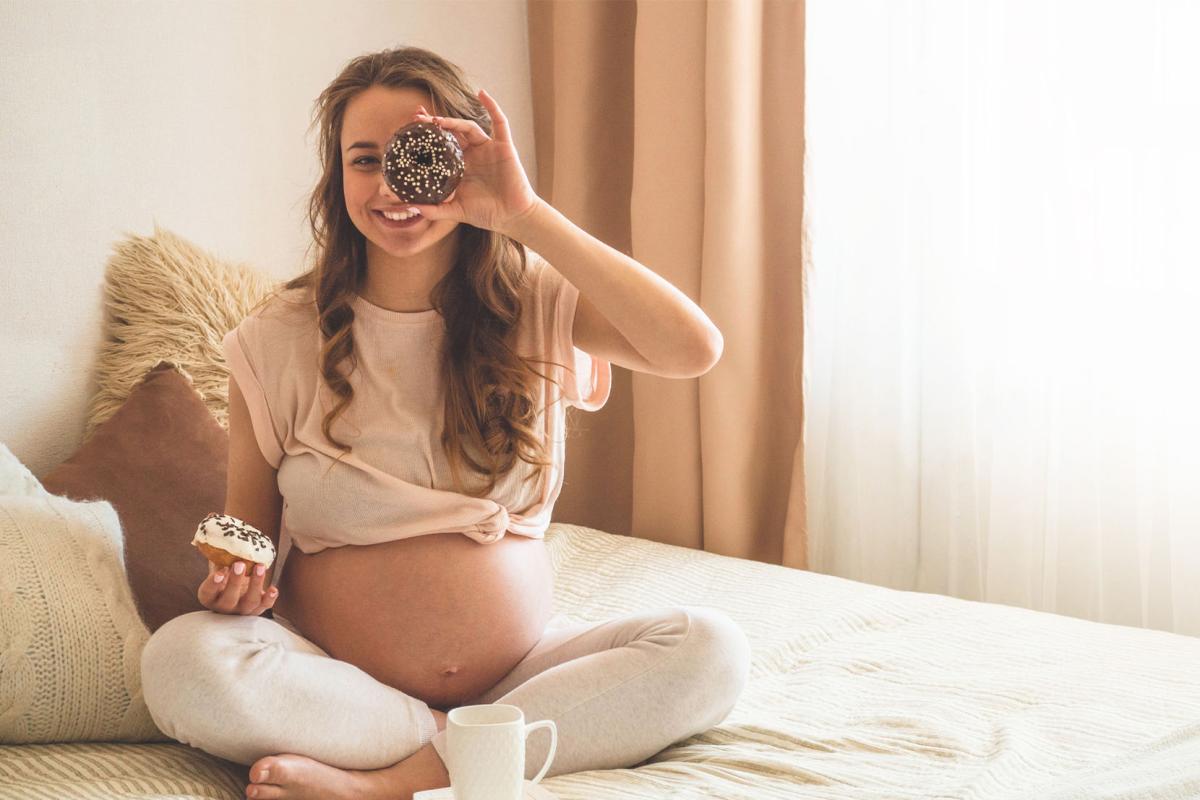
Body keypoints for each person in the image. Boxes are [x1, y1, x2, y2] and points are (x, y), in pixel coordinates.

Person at [140, 46, 750, 800]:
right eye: (365, 160)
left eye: (419, 157)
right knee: (181, 663)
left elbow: (694, 349)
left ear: (466, 162)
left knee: (710, 648)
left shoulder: (534, 302)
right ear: (337, 179)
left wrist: (526, 215)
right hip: (347, 685)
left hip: (520, 672)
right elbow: (249, 539)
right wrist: (234, 586)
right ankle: (464, 743)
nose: (395, 186)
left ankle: (394, 783)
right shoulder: (277, 338)